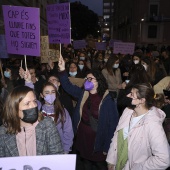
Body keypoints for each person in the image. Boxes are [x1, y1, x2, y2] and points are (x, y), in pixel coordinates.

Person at [58, 55, 119, 170]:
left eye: (90, 79)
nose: (87, 80)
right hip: (83, 138)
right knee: (85, 164)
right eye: (86, 78)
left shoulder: (108, 100)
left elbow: (113, 125)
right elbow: (67, 86)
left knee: (99, 166)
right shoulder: (83, 94)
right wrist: (62, 70)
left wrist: (108, 147)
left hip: (98, 142)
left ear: (98, 81)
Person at [106, 83, 170, 170]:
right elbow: (117, 135)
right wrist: (111, 160)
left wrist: (136, 167)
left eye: (132, 94)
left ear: (142, 100)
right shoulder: (128, 111)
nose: (127, 95)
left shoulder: (152, 125)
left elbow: (164, 159)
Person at [0, 85, 63, 157]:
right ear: (14, 109)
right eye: (27, 103)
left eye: (34, 101)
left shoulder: (47, 125)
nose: (33, 106)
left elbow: (57, 155)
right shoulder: (3, 131)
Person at [40, 82, 74, 153]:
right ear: (41, 95)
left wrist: (66, 150)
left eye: (53, 92)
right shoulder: (38, 110)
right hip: (41, 149)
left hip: (58, 149)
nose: (50, 95)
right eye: (47, 92)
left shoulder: (62, 111)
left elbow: (68, 132)